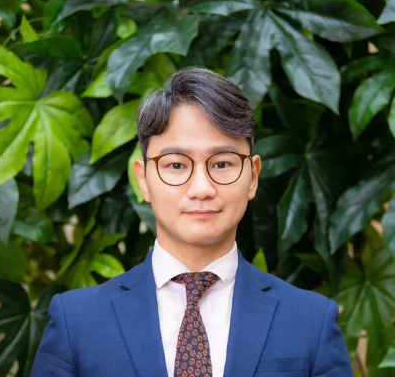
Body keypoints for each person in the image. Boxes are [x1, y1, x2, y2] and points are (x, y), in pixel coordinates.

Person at [31, 67, 353, 377]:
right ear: (143, 179)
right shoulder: (76, 322)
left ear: (253, 176)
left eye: (222, 163)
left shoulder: (310, 321)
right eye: (176, 165)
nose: (202, 189)